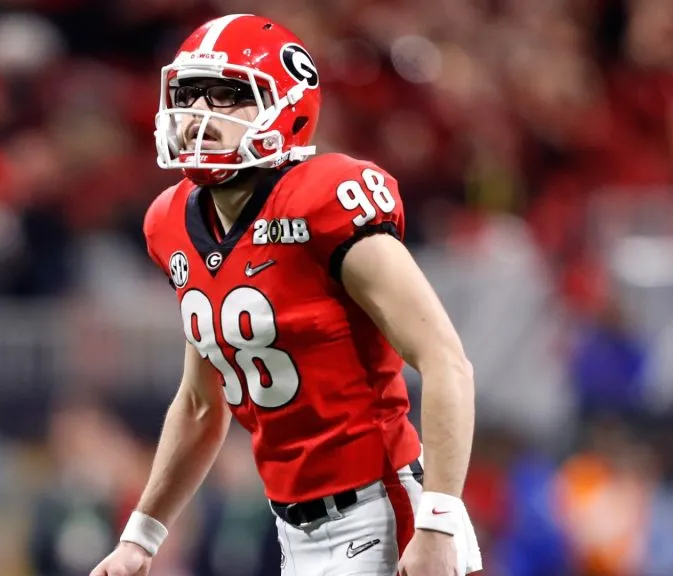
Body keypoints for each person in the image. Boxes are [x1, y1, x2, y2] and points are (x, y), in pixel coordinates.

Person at [91, 13, 482, 576]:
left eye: (227, 96)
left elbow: (447, 362)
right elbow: (203, 404)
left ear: (287, 108)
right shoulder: (170, 221)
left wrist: (438, 522)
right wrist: (140, 538)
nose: (200, 113)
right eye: (190, 94)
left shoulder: (325, 200)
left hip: (387, 511)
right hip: (292, 528)